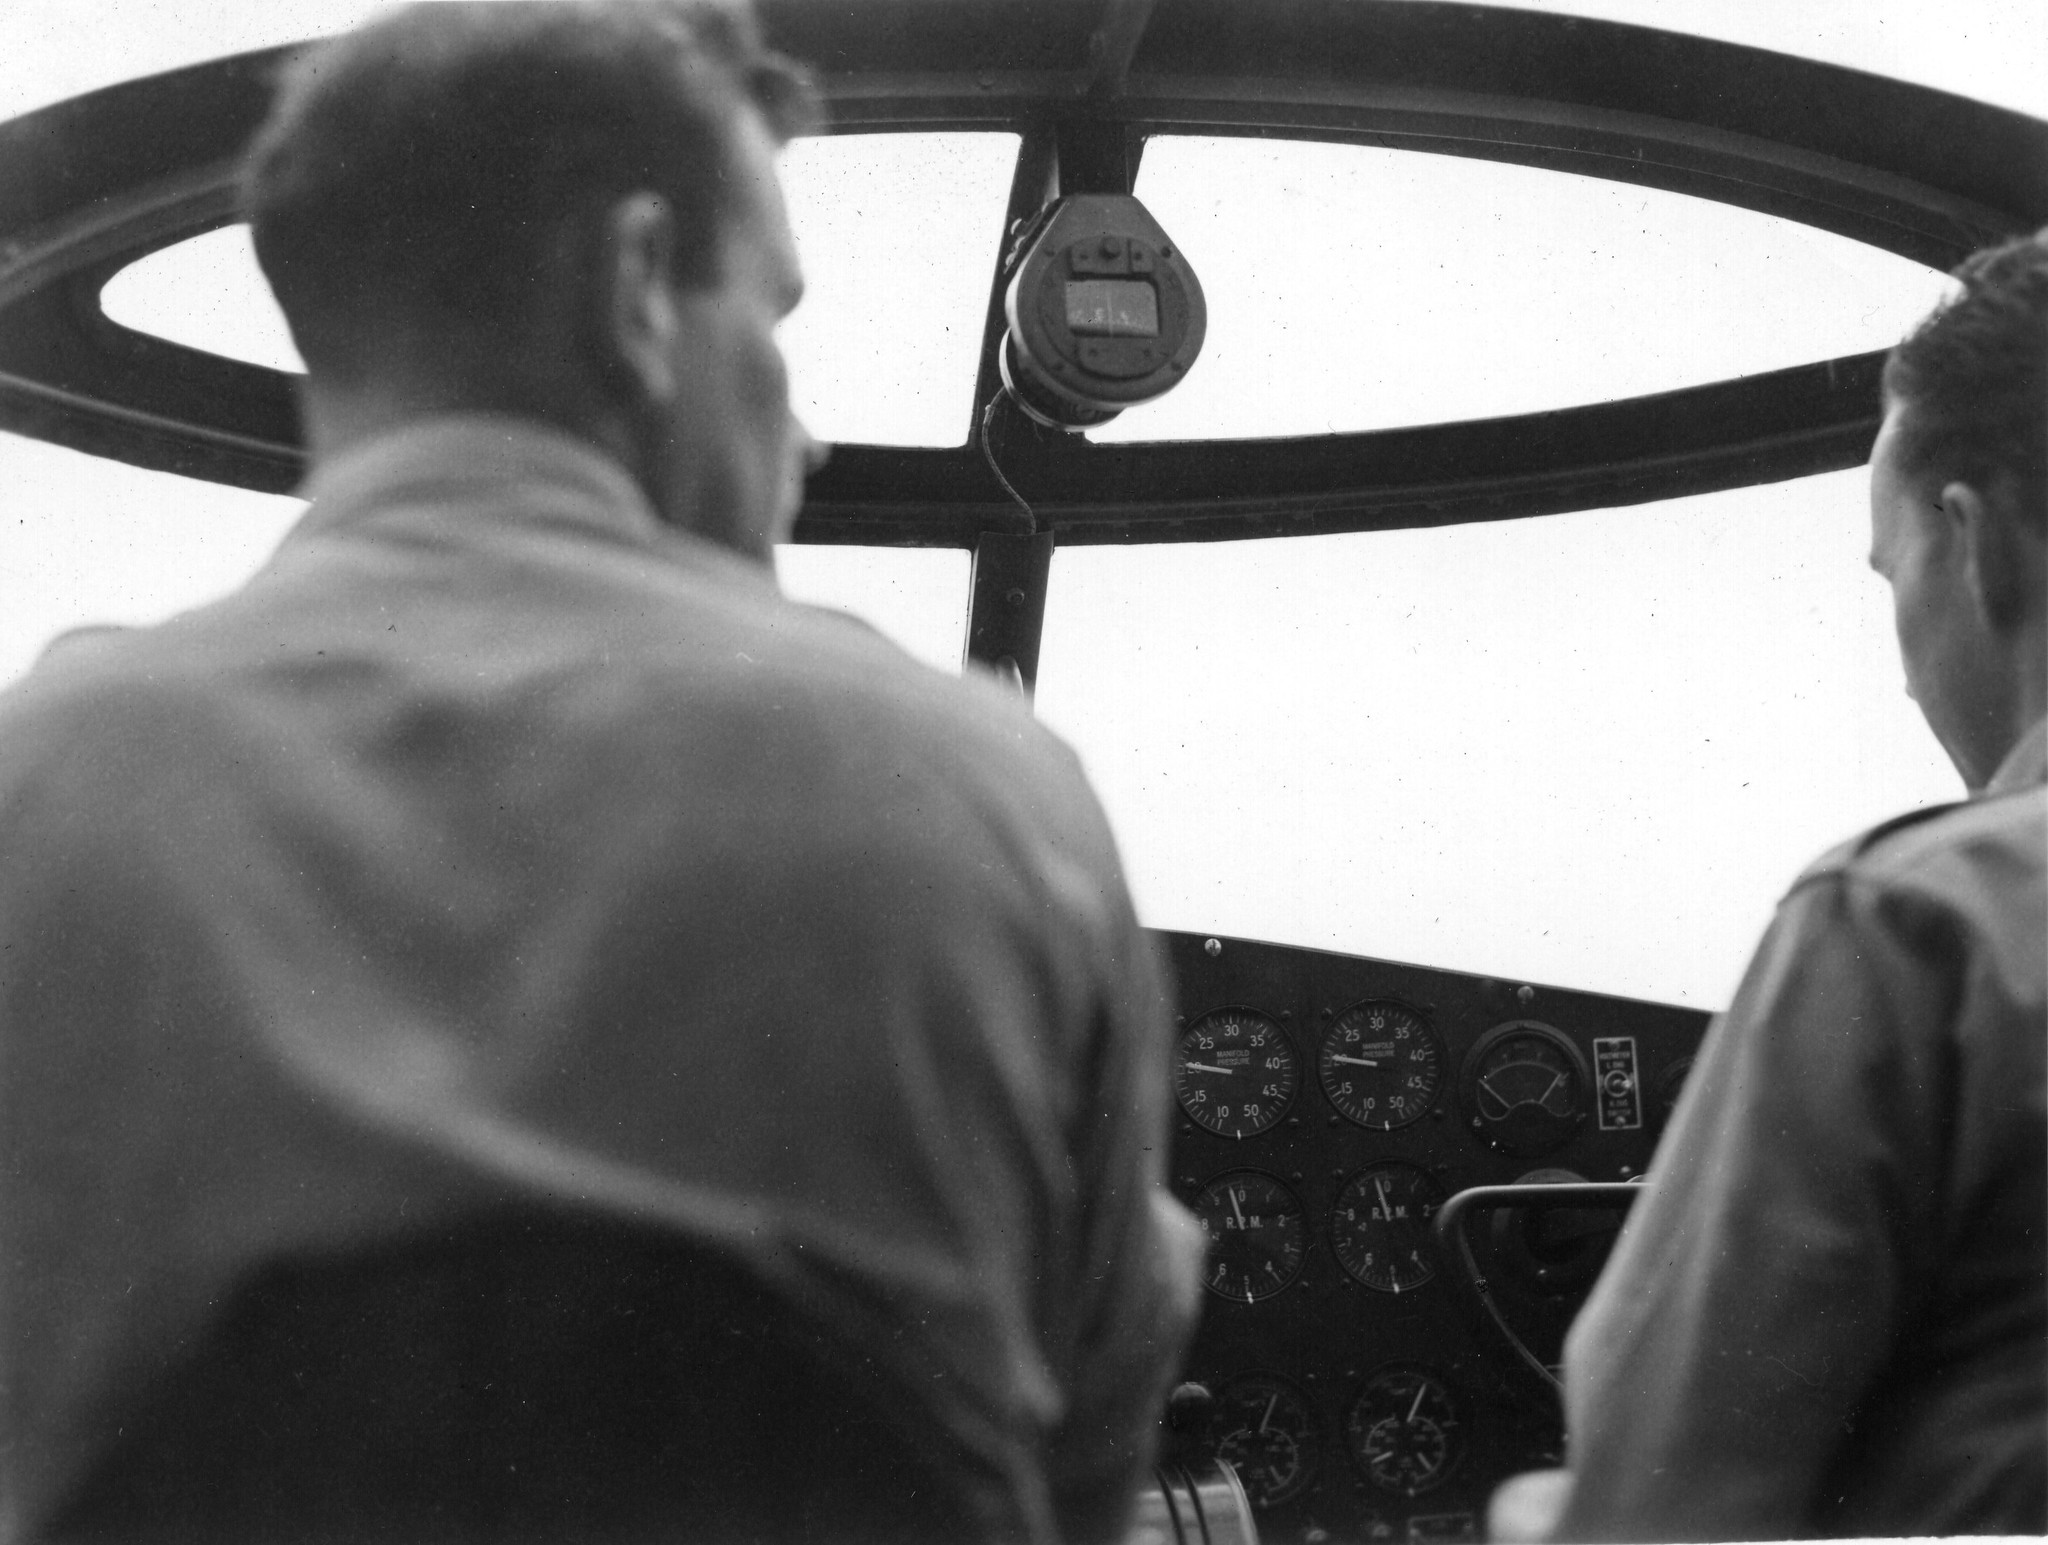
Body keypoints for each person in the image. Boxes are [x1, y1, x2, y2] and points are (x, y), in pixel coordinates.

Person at [0, 5, 1201, 1542]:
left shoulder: (36, 791)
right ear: (639, 287)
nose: (804, 435)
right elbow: (1079, 1484)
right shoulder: (990, 797)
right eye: (769, 324)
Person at [1494, 229, 2047, 1542]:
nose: (1908, 665)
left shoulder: (1914, 925)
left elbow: (1650, 1512)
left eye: (1892, 567)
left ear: (1971, 547)